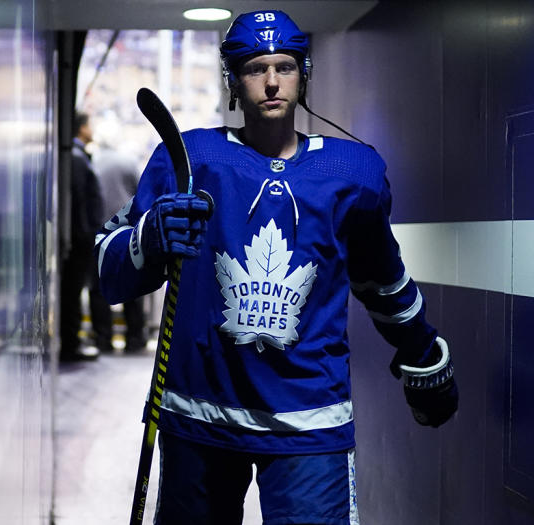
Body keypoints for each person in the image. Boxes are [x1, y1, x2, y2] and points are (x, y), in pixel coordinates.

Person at [95, 10, 458, 524]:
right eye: (254, 68)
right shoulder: (192, 160)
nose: (270, 82)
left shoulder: (352, 173)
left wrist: (423, 353)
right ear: (233, 83)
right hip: (201, 415)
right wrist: (146, 240)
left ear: (303, 76)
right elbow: (109, 265)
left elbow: (381, 280)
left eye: (284, 67)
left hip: (308, 422)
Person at [90, 138, 148, 353]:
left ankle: (102, 339)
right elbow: (141, 192)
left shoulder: (93, 162)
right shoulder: (128, 161)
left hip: (98, 232)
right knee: (131, 284)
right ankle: (134, 339)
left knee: (98, 289)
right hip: (125, 232)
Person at [61, 111, 106, 361]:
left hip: (79, 236)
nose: (93, 128)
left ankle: (72, 340)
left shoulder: (77, 156)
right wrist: (85, 234)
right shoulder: (77, 159)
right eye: (90, 124)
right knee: (73, 290)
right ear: (80, 128)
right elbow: (78, 201)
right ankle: (71, 342)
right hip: (80, 238)